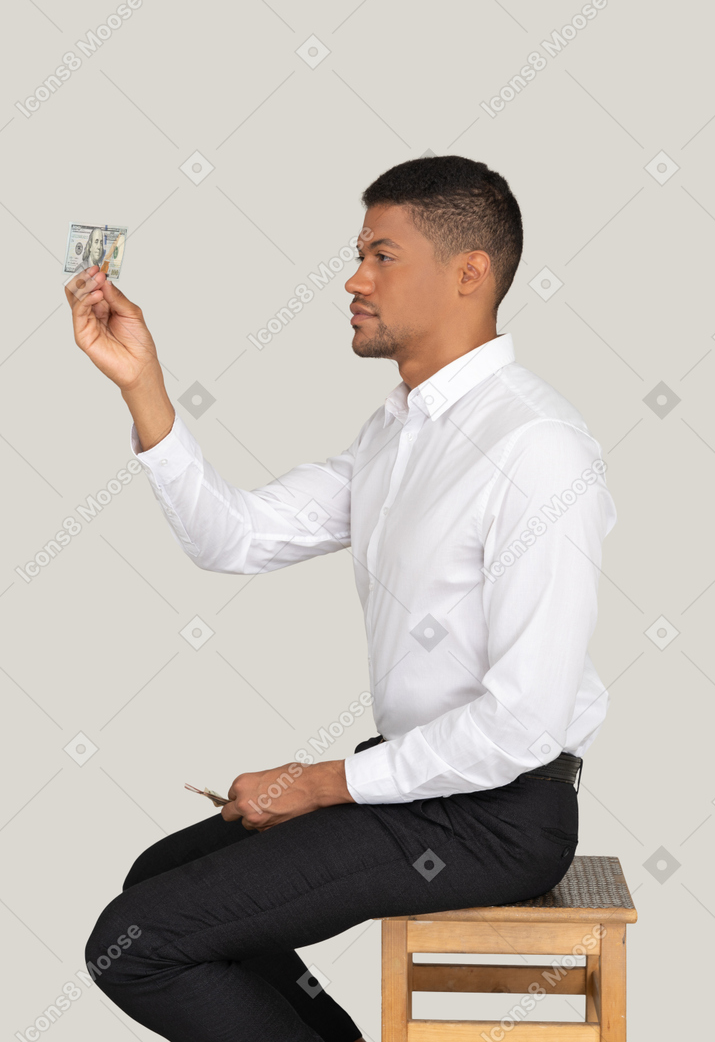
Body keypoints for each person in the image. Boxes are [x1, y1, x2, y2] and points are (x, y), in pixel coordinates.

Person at [65, 155, 617, 1042]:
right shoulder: (397, 435)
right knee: (152, 882)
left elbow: (523, 726)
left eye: (381, 256)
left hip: (496, 816)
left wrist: (320, 785)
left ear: (468, 271)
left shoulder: (536, 449)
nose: (353, 280)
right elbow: (232, 537)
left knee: (132, 944)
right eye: (356, 254)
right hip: (418, 786)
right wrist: (144, 389)